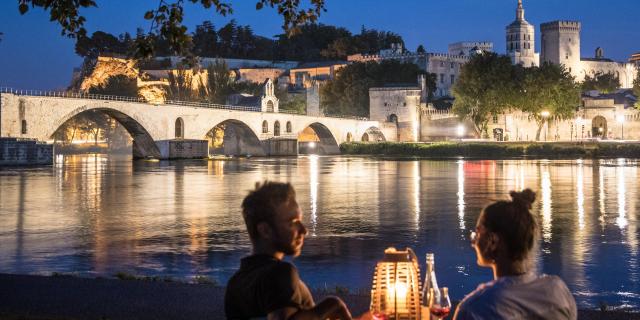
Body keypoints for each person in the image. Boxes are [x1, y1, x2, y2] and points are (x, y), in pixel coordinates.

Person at [225, 181, 353, 320]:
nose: (304, 230)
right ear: (265, 230)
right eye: (293, 222)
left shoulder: (235, 284)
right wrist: (331, 305)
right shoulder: (281, 273)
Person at [453, 189, 577, 320]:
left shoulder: (475, 309)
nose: (473, 242)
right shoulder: (558, 291)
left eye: (477, 234)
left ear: (493, 241)